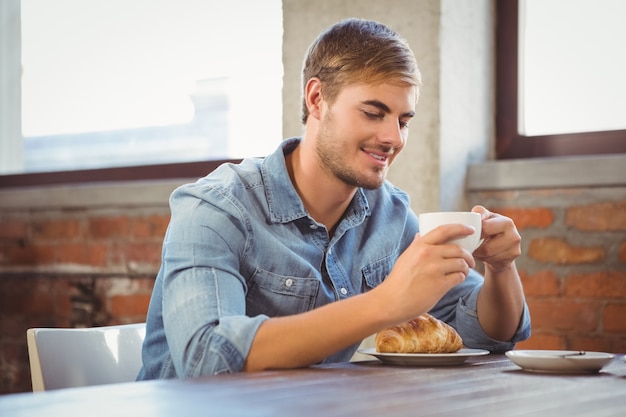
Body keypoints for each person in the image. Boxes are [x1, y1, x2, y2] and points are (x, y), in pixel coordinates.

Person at [137, 17, 530, 380]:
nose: (393, 138)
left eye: (403, 120)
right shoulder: (216, 209)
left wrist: (500, 269)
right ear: (316, 99)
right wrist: (386, 303)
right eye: (373, 113)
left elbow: (483, 333)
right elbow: (207, 358)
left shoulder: (389, 216)